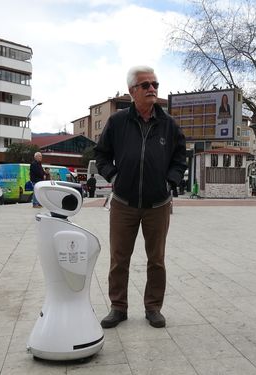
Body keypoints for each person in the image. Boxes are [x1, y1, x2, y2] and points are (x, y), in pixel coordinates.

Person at [95, 65, 187, 329]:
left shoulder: (168, 124)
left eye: (155, 85)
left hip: (157, 204)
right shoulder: (117, 121)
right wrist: (113, 176)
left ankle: (153, 307)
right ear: (132, 91)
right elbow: (100, 154)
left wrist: (170, 182)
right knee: (119, 259)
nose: (152, 89)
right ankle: (118, 307)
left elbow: (180, 158)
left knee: (156, 260)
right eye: (145, 85)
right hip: (123, 203)